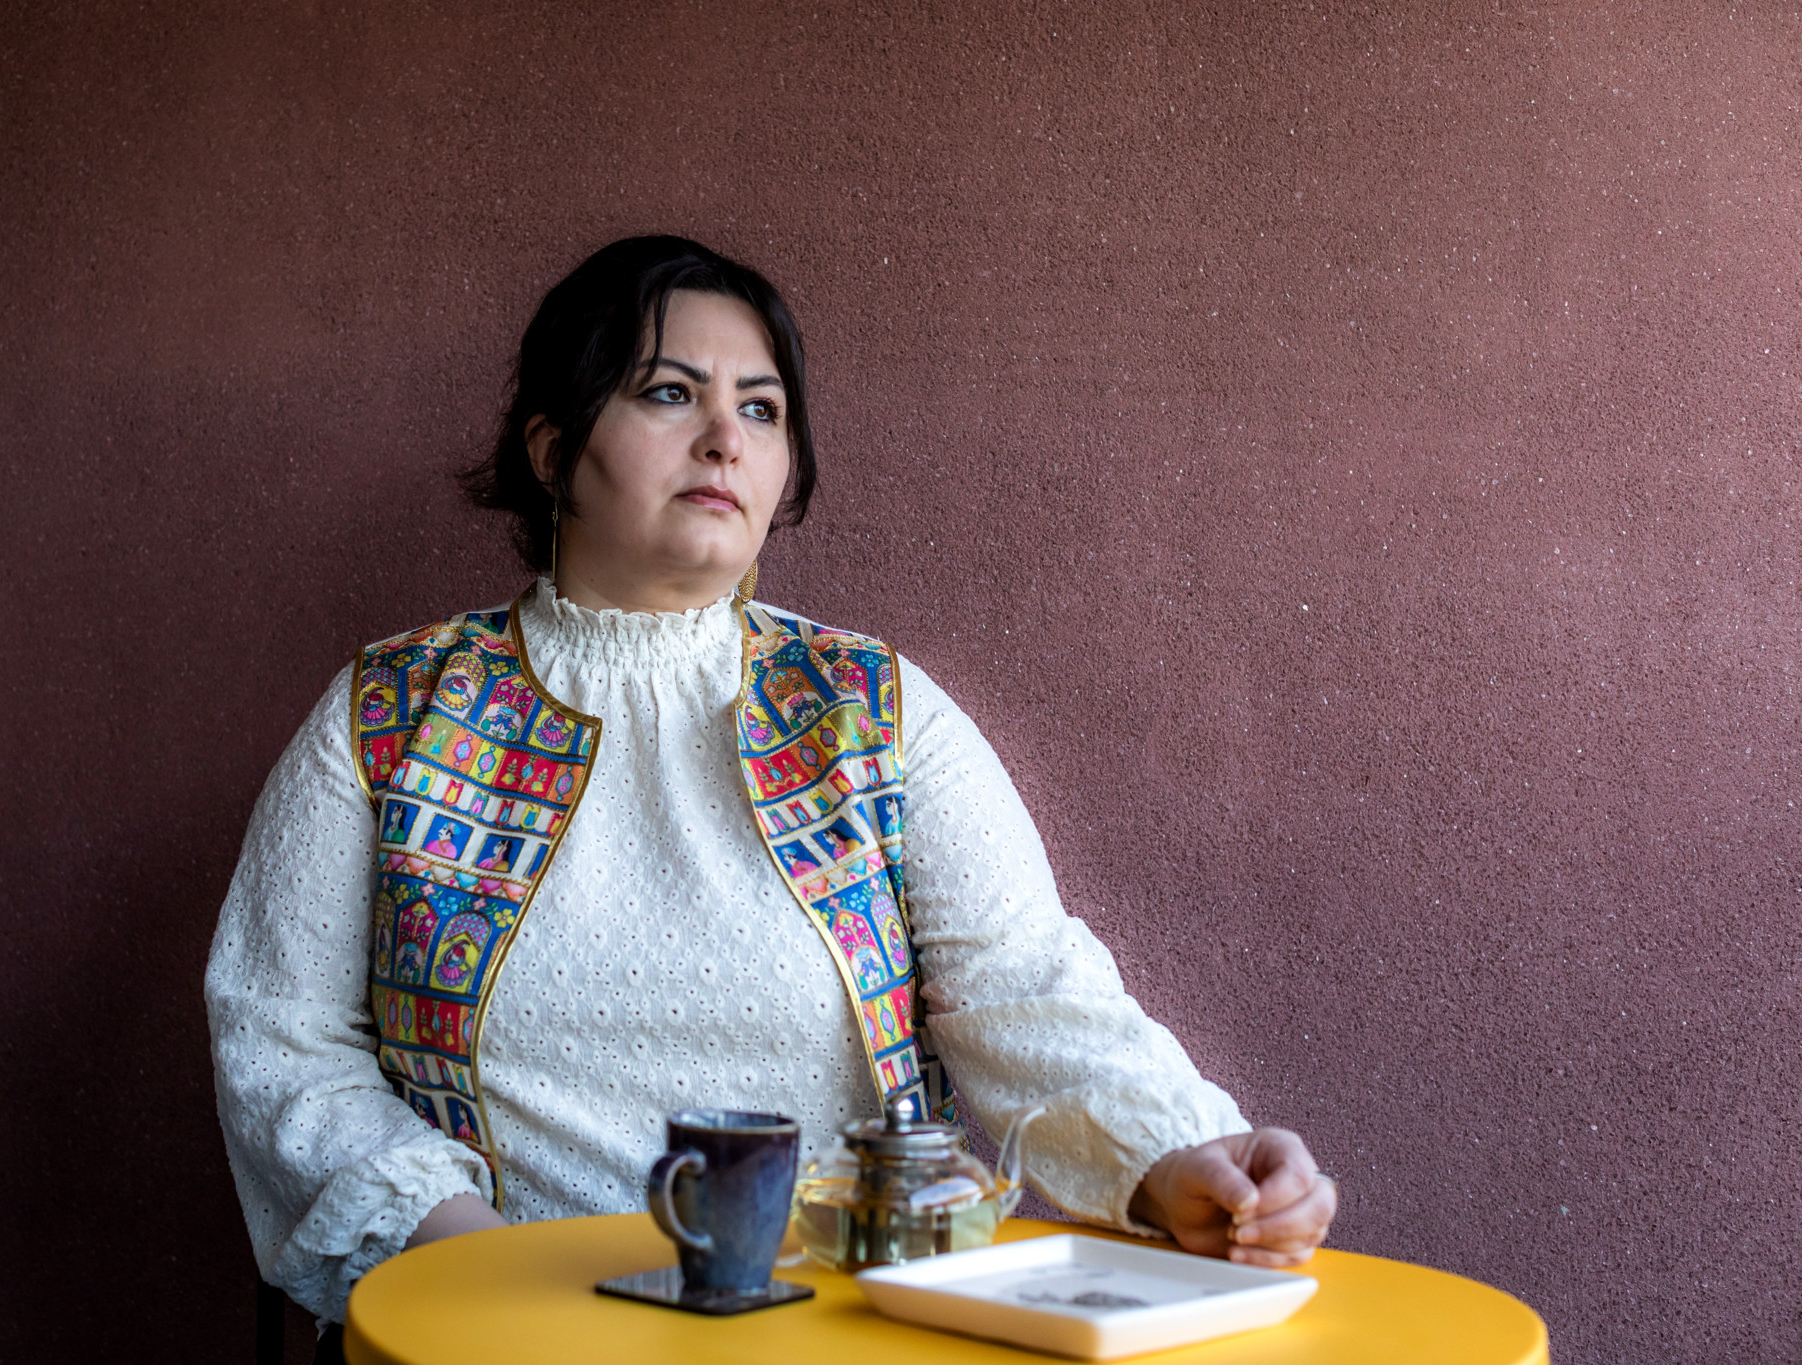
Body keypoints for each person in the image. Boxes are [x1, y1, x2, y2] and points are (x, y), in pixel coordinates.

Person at [205, 235, 1337, 1352]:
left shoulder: (872, 709)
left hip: (852, 1334)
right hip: (497, 1339)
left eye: (761, 408)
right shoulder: (393, 713)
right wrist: (474, 1268)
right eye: (668, 393)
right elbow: (282, 1044)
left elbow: (1024, 985)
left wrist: (1182, 1157)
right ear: (551, 451)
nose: (724, 439)